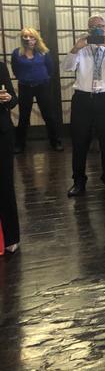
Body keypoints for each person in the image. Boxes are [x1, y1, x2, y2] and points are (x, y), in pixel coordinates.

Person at [63, 15, 105, 197]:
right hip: (82, 99)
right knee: (79, 142)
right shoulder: (82, 48)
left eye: (101, 26)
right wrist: (75, 48)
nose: (97, 29)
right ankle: (78, 182)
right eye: (93, 27)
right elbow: (67, 67)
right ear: (88, 29)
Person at [11, 27, 63, 153]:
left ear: (36, 38)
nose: (28, 39)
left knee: (49, 115)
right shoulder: (17, 53)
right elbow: (15, 70)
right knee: (24, 116)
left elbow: (50, 69)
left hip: (42, 87)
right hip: (25, 87)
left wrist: (43, 77)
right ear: (22, 38)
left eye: (31, 36)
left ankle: (55, 142)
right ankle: (20, 144)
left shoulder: (44, 52)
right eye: (25, 36)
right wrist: (25, 78)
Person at [0, 60, 20, 253]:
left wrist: (7, 98)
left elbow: (14, 99)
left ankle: (11, 236)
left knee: (5, 183)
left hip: (2, 131)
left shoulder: (0, 66)